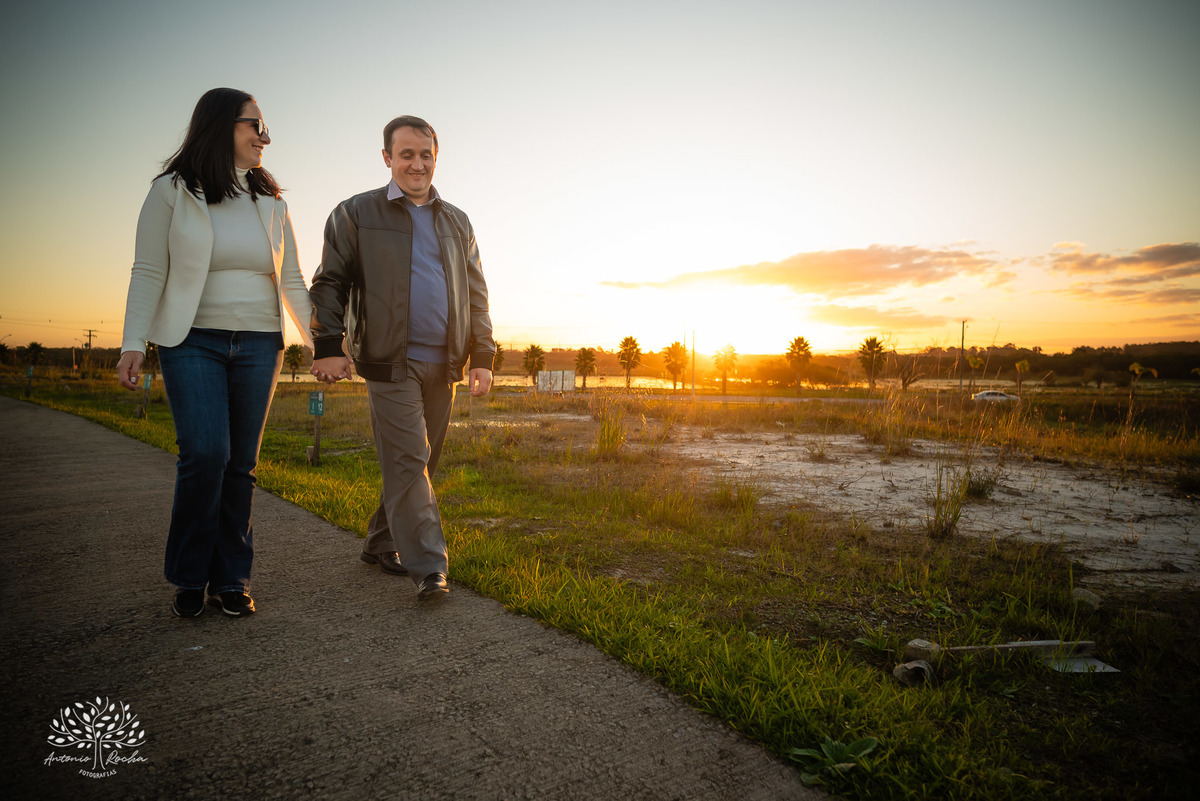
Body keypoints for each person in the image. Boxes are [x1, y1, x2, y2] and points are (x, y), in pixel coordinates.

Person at [115, 88, 312, 618]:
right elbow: (149, 270)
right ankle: (188, 575)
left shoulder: (271, 202)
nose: (264, 137)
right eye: (255, 126)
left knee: (240, 465)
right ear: (222, 125)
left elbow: (291, 277)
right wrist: (134, 341)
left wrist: (322, 343)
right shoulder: (172, 192)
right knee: (205, 454)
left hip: (259, 343)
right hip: (191, 339)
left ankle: (231, 578)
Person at [309, 115, 494, 600]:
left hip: (446, 362)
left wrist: (483, 355)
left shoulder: (457, 220)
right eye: (406, 154)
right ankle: (430, 567)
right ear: (387, 158)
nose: (417, 164)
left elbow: (477, 294)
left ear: (436, 158)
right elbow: (329, 282)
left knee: (419, 459)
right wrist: (328, 345)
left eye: (426, 154)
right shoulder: (355, 213)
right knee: (411, 459)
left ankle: (380, 539)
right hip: (389, 359)